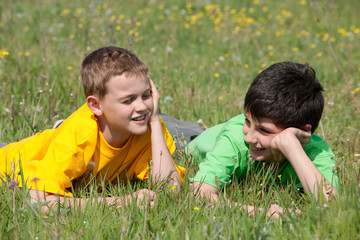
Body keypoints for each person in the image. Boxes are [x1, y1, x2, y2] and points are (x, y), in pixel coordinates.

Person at [0, 46, 184, 209]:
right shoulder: (79, 134)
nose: (142, 107)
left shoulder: (148, 127)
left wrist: (154, 120)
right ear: (96, 106)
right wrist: (121, 202)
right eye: (128, 100)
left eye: (146, 95)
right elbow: (39, 203)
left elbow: (171, 189)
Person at [188, 61, 338, 218]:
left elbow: (332, 205)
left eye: (264, 130)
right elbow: (200, 194)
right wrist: (261, 213)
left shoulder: (316, 150)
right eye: (247, 121)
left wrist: (293, 148)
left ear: (302, 131)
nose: (249, 137)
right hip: (182, 142)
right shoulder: (236, 138)